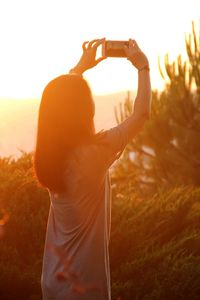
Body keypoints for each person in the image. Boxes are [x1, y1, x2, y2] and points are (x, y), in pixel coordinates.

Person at [33, 38, 151, 300]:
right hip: (83, 288)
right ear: (85, 110)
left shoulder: (50, 155)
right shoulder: (92, 155)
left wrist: (78, 69)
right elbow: (141, 114)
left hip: (52, 282)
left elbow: (58, 106)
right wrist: (143, 67)